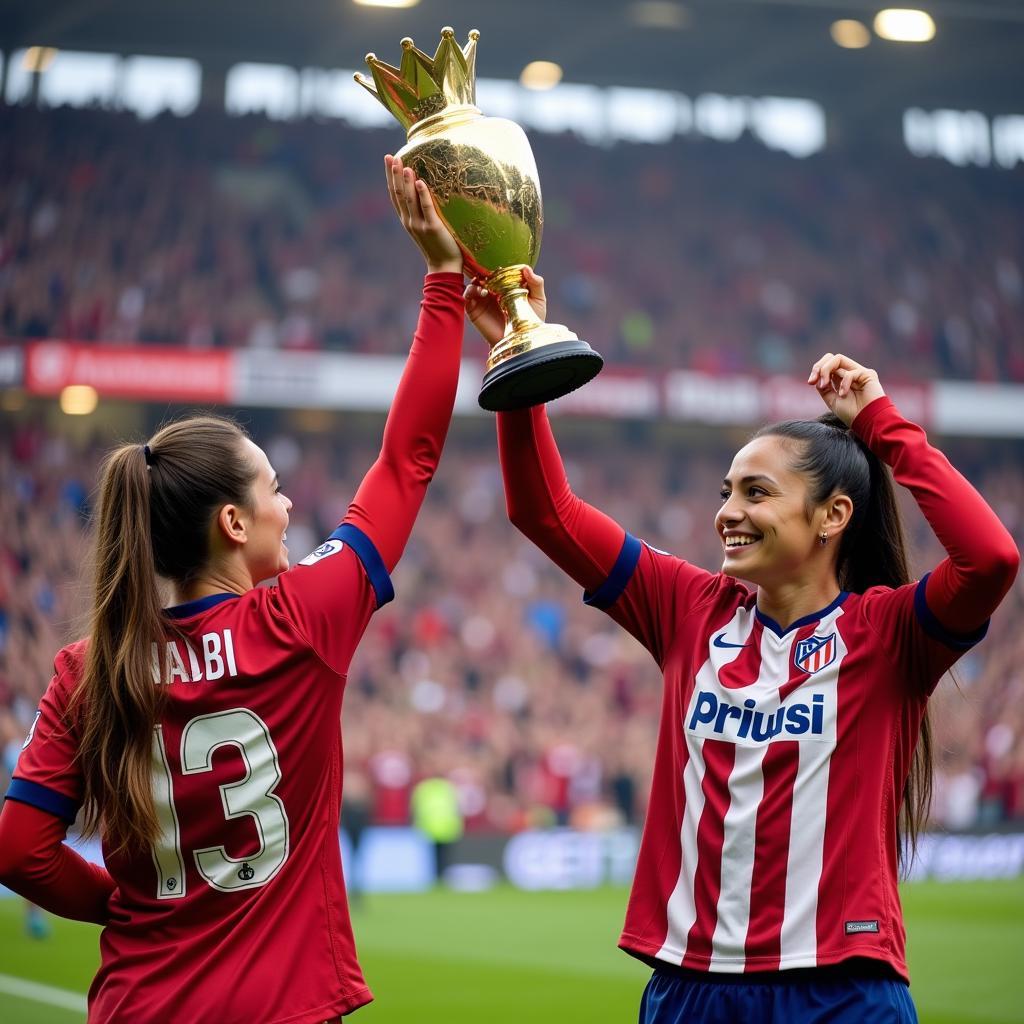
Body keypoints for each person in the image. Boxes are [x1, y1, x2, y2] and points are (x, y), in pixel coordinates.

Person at [466, 269, 1020, 1023]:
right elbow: (543, 511)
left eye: (756, 493)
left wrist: (884, 424)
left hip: (843, 986)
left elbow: (991, 559)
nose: (728, 511)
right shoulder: (688, 608)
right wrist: (514, 359)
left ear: (832, 517)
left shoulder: (888, 635)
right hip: (693, 985)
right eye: (726, 491)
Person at [0, 156, 464, 1024]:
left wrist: (123, 907)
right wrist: (442, 280)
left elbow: (21, 850)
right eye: (273, 489)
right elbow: (407, 460)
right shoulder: (305, 619)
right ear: (233, 524)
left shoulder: (84, 669)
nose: (291, 504)